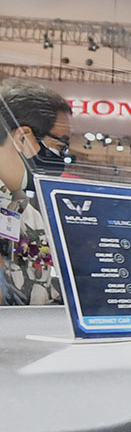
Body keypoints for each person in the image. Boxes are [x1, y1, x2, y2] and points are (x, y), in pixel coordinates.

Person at [0, 79, 70, 306]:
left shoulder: (31, 217)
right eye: (60, 147)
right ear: (22, 138)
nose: (61, 160)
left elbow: (41, 291)